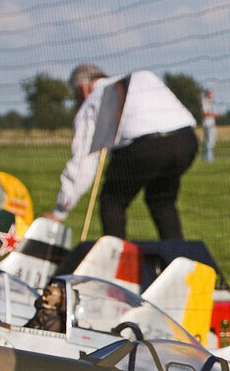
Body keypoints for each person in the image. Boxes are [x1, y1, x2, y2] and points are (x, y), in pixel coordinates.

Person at [46, 64, 198, 240]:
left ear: (82, 88)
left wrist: (59, 211)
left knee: (112, 201)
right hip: (187, 141)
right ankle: (178, 257)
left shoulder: (93, 99)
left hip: (144, 147)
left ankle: (116, 259)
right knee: (161, 201)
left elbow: (83, 163)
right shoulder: (143, 76)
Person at [201, 89, 219, 163]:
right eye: (210, 94)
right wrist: (214, 114)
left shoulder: (209, 102)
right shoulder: (204, 102)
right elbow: (204, 113)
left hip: (209, 123)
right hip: (208, 124)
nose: (211, 96)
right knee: (210, 141)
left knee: (208, 141)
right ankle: (209, 158)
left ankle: (206, 157)